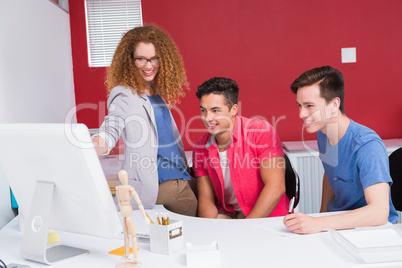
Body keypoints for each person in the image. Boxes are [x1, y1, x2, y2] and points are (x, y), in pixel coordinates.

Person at [92, 25, 197, 217]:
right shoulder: (124, 94)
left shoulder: (154, 92)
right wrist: (89, 147)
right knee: (202, 225)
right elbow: (111, 127)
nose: (149, 66)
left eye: (154, 58)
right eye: (141, 59)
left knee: (210, 192)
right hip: (163, 184)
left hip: (180, 174)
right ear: (129, 61)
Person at [284, 66, 398, 234]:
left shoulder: (367, 145)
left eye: (309, 105)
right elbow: (331, 172)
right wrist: (321, 213)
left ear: (334, 104)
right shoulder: (324, 133)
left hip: (372, 230)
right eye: (300, 105)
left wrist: (319, 222)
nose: (301, 113)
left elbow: (379, 212)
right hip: (340, 225)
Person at [192, 77, 289, 219]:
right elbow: (206, 200)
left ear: (233, 109)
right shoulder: (200, 149)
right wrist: (209, 229)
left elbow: (276, 187)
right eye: (203, 110)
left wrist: (246, 227)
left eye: (215, 110)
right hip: (230, 215)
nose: (207, 118)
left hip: (265, 216)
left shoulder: (260, 131)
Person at [116, 170, 151, 266]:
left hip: (124, 211)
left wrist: (144, 216)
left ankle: (131, 256)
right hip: (125, 211)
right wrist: (144, 216)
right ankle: (133, 257)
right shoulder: (127, 188)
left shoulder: (119, 188)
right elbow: (139, 203)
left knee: (128, 235)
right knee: (132, 235)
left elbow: (120, 203)